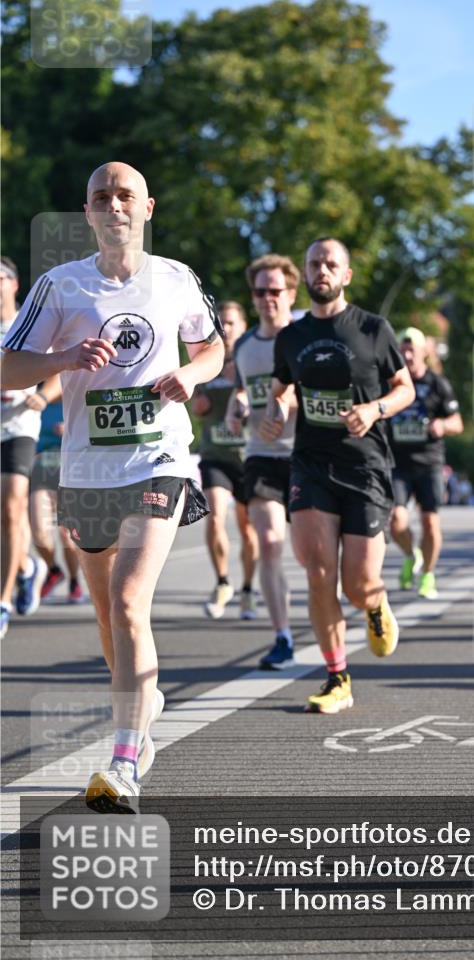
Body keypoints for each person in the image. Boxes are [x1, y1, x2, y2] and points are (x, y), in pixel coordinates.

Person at [0, 162, 224, 811]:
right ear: (89, 212)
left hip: (160, 458)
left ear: (147, 207)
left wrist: (195, 375)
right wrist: (64, 359)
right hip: (86, 469)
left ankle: (124, 760)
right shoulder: (59, 287)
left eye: (125, 194)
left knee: (128, 602)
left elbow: (210, 349)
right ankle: (140, 702)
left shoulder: (176, 278)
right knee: (107, 615)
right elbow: (8, 366)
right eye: (102, 196)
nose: (115, 204)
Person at [267, 237, 415, 713]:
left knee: (356, 583)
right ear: (305, 274)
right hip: (311, 463)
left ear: (346, 275)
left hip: (366, 465)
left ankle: (373, 603)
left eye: (332, 264)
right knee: (317, 573)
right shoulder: (291, 335)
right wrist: (277, 408)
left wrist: (374, 409)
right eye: (314, 263)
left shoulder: (373, 328)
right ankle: (337, 677)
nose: (322, 270)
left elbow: (405, 389)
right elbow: (282, 387)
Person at [225, 255, 298, 669]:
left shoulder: (305, 338)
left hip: (306, 456)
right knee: (270, 542)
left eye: (275, 291)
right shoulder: (246, 345)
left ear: (290, 293)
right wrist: (236, 411)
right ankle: (282, 636)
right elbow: (241, 391)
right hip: (261, 455)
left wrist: (286, 404)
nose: (268, 298)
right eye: (260, 292)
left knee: (311, 555)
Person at [0, 256, 59, 636]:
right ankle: (26, 568)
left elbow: (58, 371)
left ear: (14, 283)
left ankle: (2, 602)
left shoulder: (30, 322)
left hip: (20, 426)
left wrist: (43, 396)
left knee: (11, 505)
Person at [193, 301, 259, 618]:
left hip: (248, 455)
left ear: (244, 326)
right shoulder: (208, 359)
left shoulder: (252, 359)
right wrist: (200, 401)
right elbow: (197, 405)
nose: (226, 328)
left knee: (248, 529)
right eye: (221, 323)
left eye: (232, 323)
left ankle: (247, 589)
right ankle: (222, 582)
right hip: (215, 454)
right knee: (216, 515)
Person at [388, 326, 462, 599]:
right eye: (403, 348)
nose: (407, 354)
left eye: (412, 349)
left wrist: (443, 424)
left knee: (430, 523)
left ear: (423, 351)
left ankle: (428, 575)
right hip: (397, 462)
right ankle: (411, 555)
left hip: (429, 462)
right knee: (395, 519)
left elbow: (458, 422)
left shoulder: (437, 384)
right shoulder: (391, 382)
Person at [29, 391, 86, 605]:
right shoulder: (37, 398)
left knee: (66, 534)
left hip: (71, 469)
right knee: (39, 531)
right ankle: (53, 570)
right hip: (41, 469)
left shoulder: (78, 392)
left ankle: (74, 580)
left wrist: (71, 432)